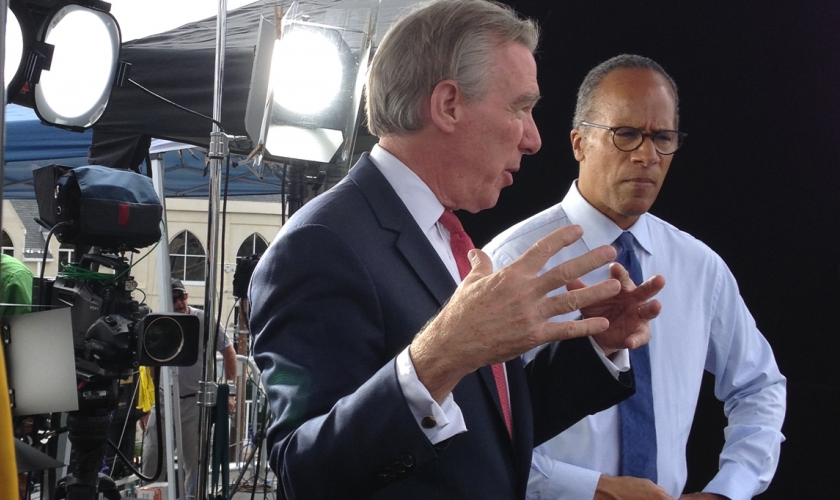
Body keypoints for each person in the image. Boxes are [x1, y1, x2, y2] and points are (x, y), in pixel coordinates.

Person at [247, 1, 667, 498]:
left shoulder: (445, 235)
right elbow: (304, 472)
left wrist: (595, 348)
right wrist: (441, 353)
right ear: (448, 105)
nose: (533, 139)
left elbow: (488, 430)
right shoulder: (320, 245)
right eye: (520, 107)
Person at [483, 54, 787, 500]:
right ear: (579, 143)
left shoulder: (700, 267)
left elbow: (760, 385)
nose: (648, 155)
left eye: (662, 137)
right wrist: (592, 490)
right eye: (626, 134)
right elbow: (472, 430)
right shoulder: (512, 261)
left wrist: (729, 489)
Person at [141, 278, 238, 499]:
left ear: (186, 297)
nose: (178, 303)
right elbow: (150, 367)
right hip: (164, 400)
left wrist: (230, 392)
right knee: (152, 460)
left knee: (195, 465)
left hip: (195, 402)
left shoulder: (203, 320)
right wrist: (148, 406)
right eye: (173, 298)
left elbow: (229, 352)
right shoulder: (159, 322)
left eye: (181, 297)